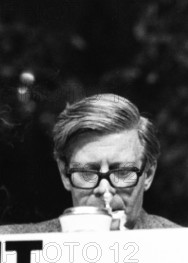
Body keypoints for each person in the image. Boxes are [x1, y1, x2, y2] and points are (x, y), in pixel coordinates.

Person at [0, 94, 178, 233]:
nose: (104, 190)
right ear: (64, 174)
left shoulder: (187, 248)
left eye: (122, 172)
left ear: (148, 174)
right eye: (87, 173)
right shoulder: (12, 249)